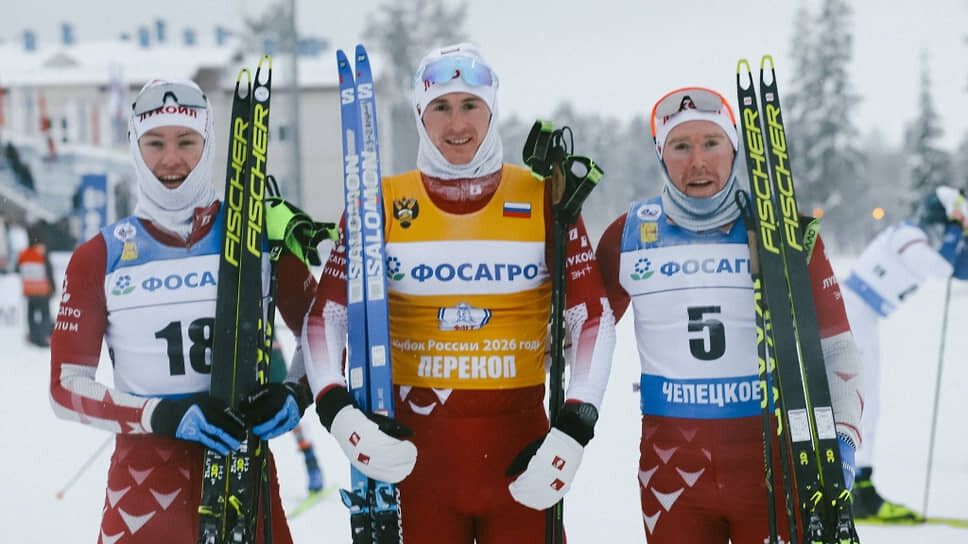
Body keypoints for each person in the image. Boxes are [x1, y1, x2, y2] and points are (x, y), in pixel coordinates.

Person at [302, 43, 616, 543]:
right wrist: (337, 411)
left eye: (470, 105)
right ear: (420, 115)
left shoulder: (542, 194)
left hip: (522, 459)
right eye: (440, 108)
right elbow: (326, 317)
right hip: (415, 460)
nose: (456, 125)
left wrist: (577, 422)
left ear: (492, 109)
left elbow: (591, 317)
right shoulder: (379, 203)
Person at [48, 78, 319, 543]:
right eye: (155, 143)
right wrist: (163, 415)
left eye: (186, 141)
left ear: (208, 142)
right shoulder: (101, 254)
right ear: (135, 146)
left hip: (243, 476)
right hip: (143, 488)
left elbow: (323, 332)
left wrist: (297, 392)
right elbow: (65, 388)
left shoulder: (259, 233)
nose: (170, 159)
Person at [594, 86, 864, 543]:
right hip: (671, 471)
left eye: (711, 143)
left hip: (771, 463)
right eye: (680, 146)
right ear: (661, 154)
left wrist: (844, 443)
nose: (697, 162)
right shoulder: (629, 235)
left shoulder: (785, 230)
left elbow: (837, 348)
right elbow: (579, 333)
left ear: (734, 148)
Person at [842, 185, 968, 522]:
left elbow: (959, 269)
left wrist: (960, 238)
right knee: (859, 403)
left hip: (862, 317)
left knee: (867, 403)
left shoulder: (923, 239)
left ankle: (859, 486)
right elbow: (940, 268)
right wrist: (957, 232)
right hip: (852, 313)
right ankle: (853, 490)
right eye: (947, 227)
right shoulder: (909, 235)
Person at [17, 220, 55, 347]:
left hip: (29, 291)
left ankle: (33, 336)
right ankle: (44, 337)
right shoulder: (42, 253)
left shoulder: (23, 254)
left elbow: (19, 269)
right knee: (45, 314)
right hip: (42, 290)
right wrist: (53, 287)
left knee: (31, 315)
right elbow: (49, 271)